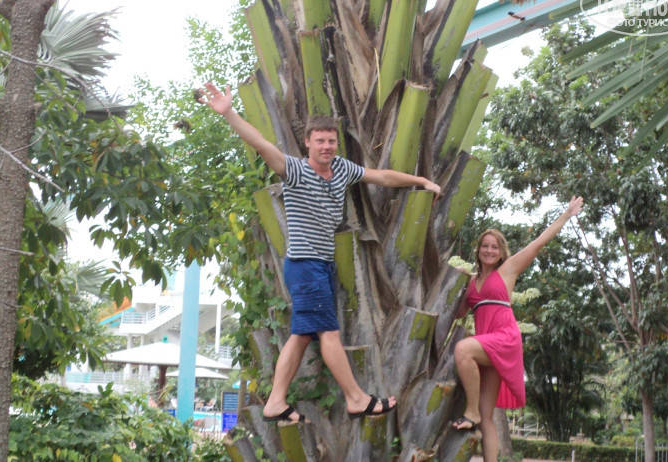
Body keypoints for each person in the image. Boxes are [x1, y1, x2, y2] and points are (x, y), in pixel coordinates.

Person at [199, 82, 441, 424]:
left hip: (321, 266)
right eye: (320, 141)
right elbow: (262, 143)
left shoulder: (341, 168)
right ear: (308, 143)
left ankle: (275, 401)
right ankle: (356, 398)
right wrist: (229, 114)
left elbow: (382, 176)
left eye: (331, 141)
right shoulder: (295, 171)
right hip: (305, 264)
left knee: (301, 336)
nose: (326, 146)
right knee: (328, 332)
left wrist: (421, 181)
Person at [450, 196, 583, 462]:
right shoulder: (472, 281)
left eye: (494, 247)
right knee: (488, 417)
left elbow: (539, 242)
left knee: (463, 349)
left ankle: (470, 411)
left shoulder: (508, 270)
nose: (489, 250)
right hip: (485, 342)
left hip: (503, 338)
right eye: (485, 246)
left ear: (501, 252)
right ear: (478, 250)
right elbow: (459, 313)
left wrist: (567, 214)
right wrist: (453, 282)